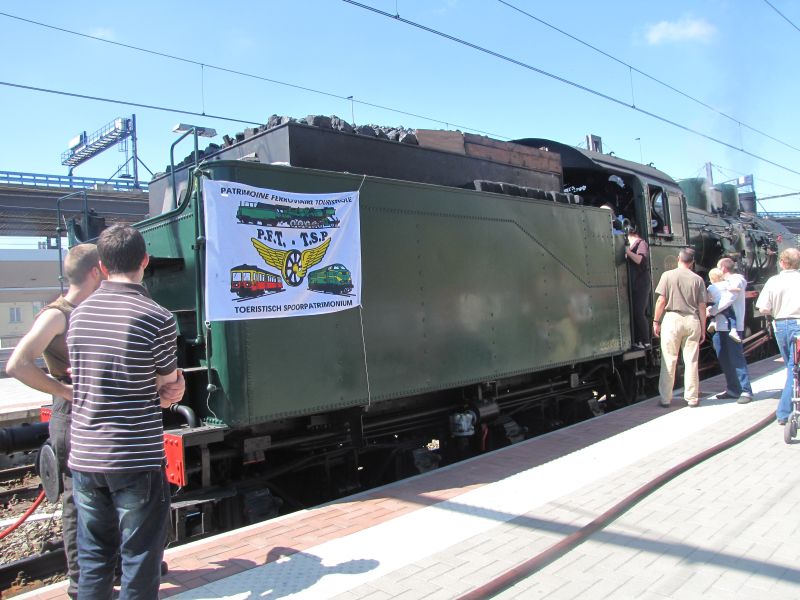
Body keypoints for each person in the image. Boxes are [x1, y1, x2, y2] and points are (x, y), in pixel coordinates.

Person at [67, 224, 184, 600]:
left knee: (94, 556)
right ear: (145, 261)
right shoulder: (158, 317)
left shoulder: (78, 315)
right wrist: (171, 394)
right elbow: (167, 382)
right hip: (134, 456)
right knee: (139, 557)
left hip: (85, 455)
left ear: (101, 266)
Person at [6, 244, 103, 599]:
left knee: (102, 494)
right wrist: (63, 391)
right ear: (95, 272)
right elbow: (17, 364)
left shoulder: (89, 309)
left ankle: (116, 566)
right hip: (73, 414)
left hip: (94, 414)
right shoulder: (57, 314)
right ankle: (80, 583)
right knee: (76, 499)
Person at [652, 248, 707, 407]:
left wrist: (656, 321)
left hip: (672, 319)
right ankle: (692, 398)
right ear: (692, 262)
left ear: (678, 259)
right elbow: (702, 306)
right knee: (691, 360)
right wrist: (703, 328)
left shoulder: (667, 276)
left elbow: (661, 301)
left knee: (669, 359)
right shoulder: (698, 280)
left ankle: (665, 399)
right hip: (692, 319)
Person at [755, 247, 800, 425]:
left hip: (781, 325)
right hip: (799, 324)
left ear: (781, 263)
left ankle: (786, 410)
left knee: (792, 367)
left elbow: (764, 308)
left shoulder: (773, 281)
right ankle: (784, 411)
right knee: (794, 368)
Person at [709, 258, 753, 403]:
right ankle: (733, 389)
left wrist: (713, 310)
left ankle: (746, 391)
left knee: (736, 358)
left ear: (723, 268)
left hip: (732, 327)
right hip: (720, 327)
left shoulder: (737, 280)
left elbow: (729, 298)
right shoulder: (722, 284)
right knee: (724, 359)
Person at [624, 224, 651, 347]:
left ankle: (645, 341)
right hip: (635, 283)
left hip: (642, 283)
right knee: (635, 311)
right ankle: (638, 340)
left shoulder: (641, 243)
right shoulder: (634, 245)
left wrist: (627, 252)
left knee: (639, 312)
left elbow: (640, 260)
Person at [706, 268, 741, 343]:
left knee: (711, 310)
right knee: (732, 317)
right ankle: (733, 331)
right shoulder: (725, 284)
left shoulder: (710, 287)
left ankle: (712, 322)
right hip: (724, 307)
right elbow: (731, 289)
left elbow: (708, 298)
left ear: (711, 279)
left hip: (714, 304)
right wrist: (738, 289)